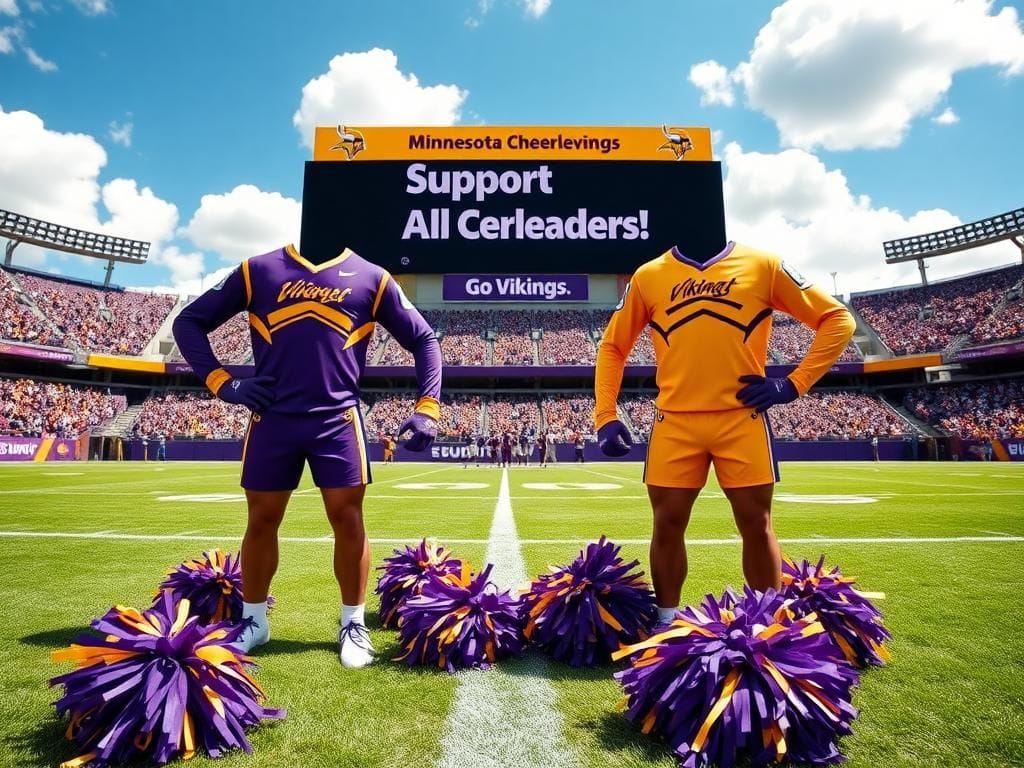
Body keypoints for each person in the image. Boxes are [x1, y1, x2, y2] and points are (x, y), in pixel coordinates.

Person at [173, 243, 442, 668]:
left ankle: (352, 622)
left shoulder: (373, 275)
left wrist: (427, 406)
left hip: (337, 419)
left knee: (347, 517)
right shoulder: (258, 269)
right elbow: (188, 321)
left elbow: (424, 337)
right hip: (271, 416)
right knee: (261, 518)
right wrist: (224, 383)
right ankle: (253, 620)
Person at [594, 241, 855, 624]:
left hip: (742, 418)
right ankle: (665, 620)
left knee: (756, 522)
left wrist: (793, 384)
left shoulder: (764, 264)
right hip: (675, 420)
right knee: (666, 522)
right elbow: (613, 345)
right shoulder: (648, 275)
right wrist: (605, 414)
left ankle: (768, 627)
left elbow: (837, 318)